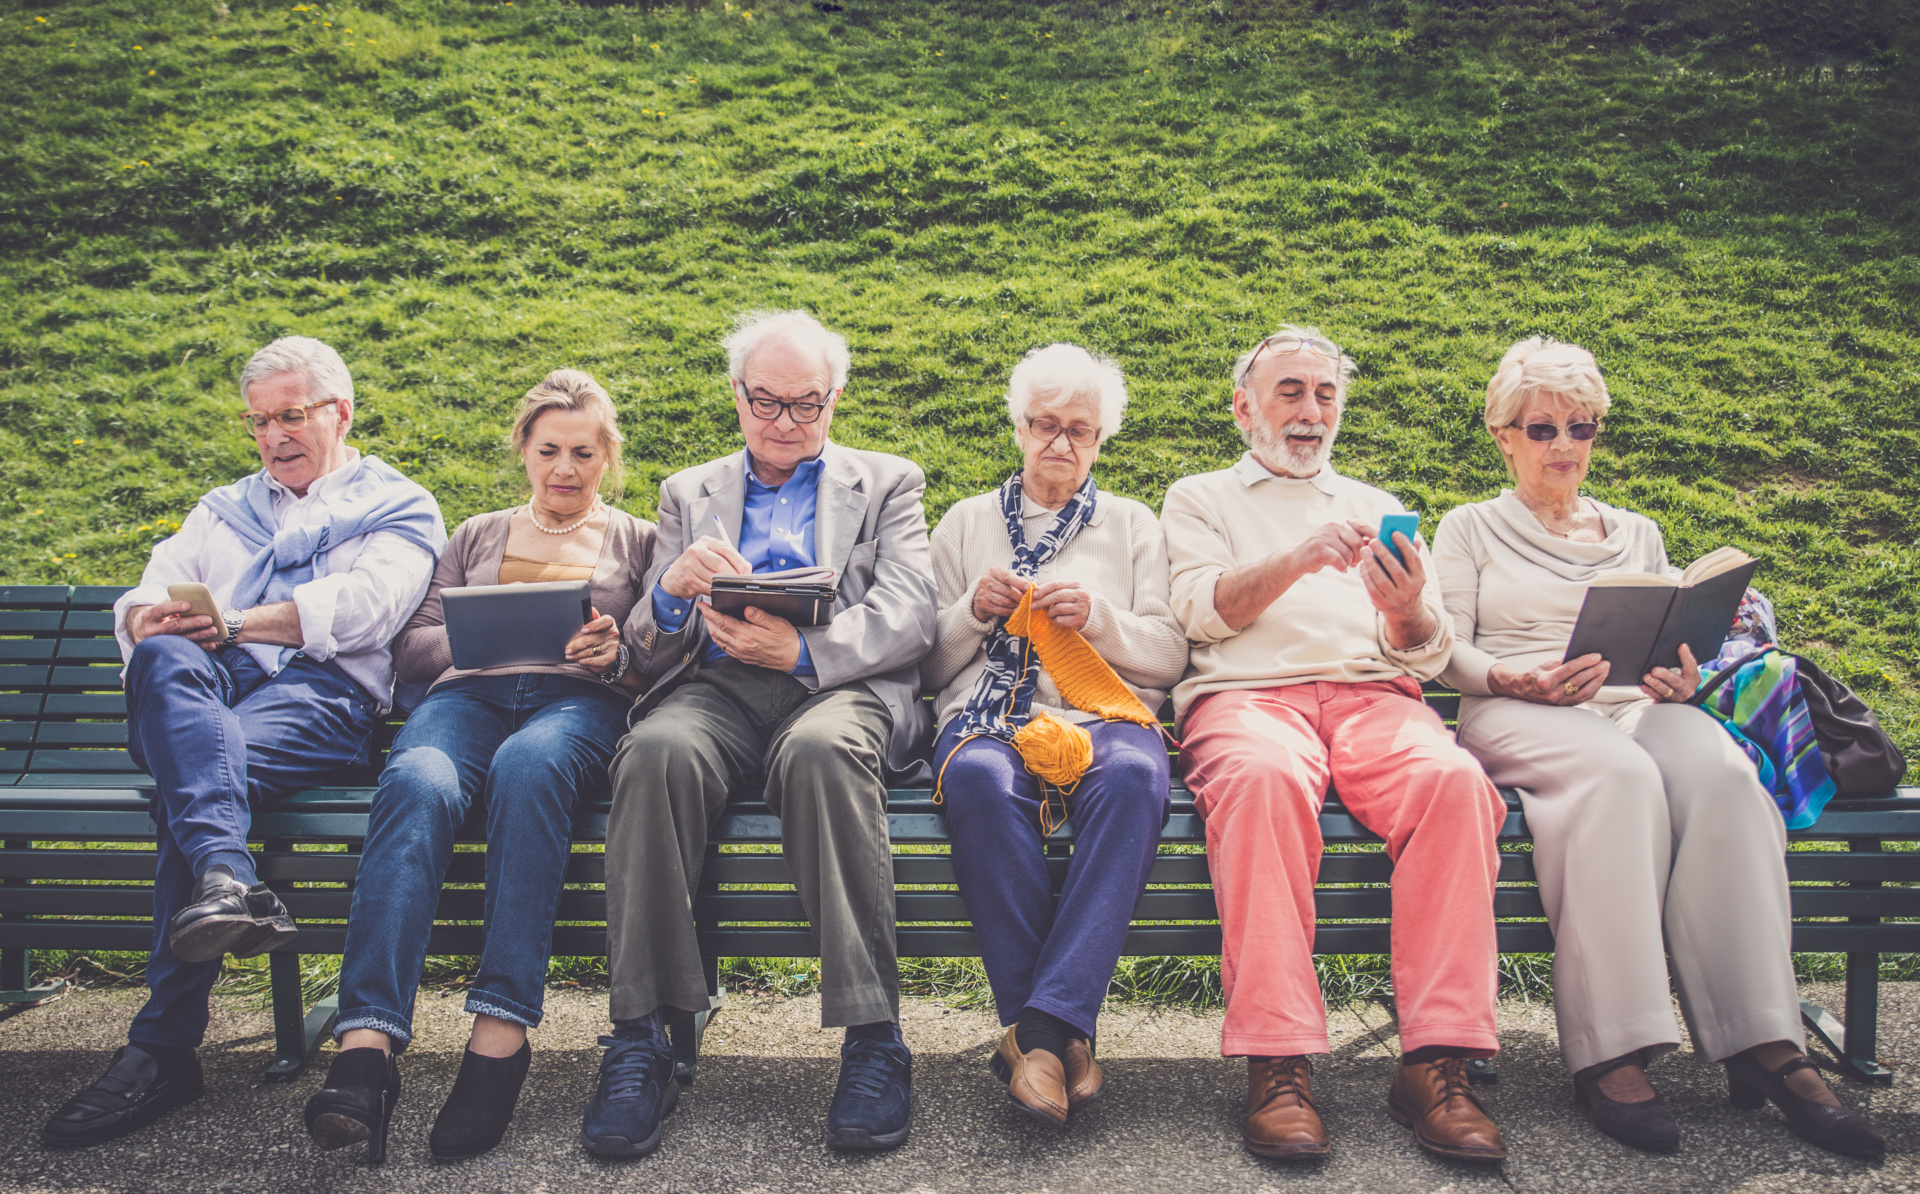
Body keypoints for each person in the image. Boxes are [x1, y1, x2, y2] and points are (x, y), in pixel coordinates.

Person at [1430, 337, 1884, 1159]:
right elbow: (1444, 652)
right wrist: (1517, 677)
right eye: (1541, 429)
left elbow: (1675, 640)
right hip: (1514, 706)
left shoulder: (1636, 530)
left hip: (1630, 702)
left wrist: (1681, 673)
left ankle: (1765, 1039)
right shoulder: (1470, 528)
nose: (1564, 446)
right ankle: (1614, 1047)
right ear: (1502, 434)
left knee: (1725, 778)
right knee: (1620, 778)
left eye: (1582, 427)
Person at [41, 337, 444, 1150]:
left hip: (319, 700)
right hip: (206, 689)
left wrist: (232, 621)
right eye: (258, 422)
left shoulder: (398, 505)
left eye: (290, 416)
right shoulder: (223, 506)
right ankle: (227, 879)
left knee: (195, 783)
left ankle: (161, 1049)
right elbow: (151, 585)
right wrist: (145, 617)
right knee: (163, 660)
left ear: (341, 411)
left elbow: (364, 609)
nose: (272, 437)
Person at [582, 310, 936, 1158]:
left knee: (820, 756)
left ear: (835, 398)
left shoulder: (889, 482)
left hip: (838, 685)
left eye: (805, 405)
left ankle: (873, 1037)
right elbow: (645, 646)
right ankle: (643, 1038)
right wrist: (669, 593)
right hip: (720, 687)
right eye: (766, 403)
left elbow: (911, 613)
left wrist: (806, 648)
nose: (785, 424)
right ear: (737, 397)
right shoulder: (687, 491)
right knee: (656, 753)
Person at [1161, 325, 1508, 1163]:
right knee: (1262, 781)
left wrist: (1409, 610)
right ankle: (1278, 1064)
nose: (1311, 412)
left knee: (1454, 783)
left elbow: (1425, 652)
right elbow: (1201, 614)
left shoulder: (1375, 503)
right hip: (1247, 699)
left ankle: (1436, 1061)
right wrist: (1297, 558)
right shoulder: (1200, 497)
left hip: (1372, 698)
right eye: (1290, 392)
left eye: (1325, 395)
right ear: (1244, 406)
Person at [303, 370, 658, 1163]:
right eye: (548, 451)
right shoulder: (475, 533)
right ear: (523, 452)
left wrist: (614, 653)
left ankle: (499, 1039)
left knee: (529, 769)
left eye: (582, 453)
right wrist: (483, 632)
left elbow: (656, 661)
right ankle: (366, 1050)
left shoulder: (638, 538)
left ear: (607, 457)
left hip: (577, 705)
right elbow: (413, 649)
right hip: (468, 698)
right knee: (415, 781)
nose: (563, 469)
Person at [922, 344, 1188, 1127]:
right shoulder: (967, 522)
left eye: (1081, 430)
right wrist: (974, 611)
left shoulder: (1133, 525)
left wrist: (1099, 620)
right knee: (977, 780)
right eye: (1046, 424)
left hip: (1101, 715)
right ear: (1018, 427)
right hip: (987, 717)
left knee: (1137, 779)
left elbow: (1168, 657)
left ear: (1101, 441)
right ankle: (1060, 1037)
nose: (1061, 443)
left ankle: (1037, 1034)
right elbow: (927, 667)